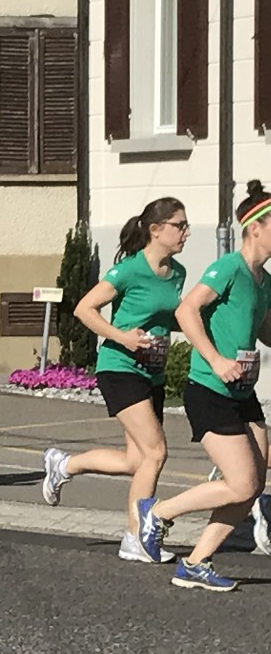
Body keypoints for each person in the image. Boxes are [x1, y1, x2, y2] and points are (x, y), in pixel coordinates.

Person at [136, 180, 271, 592]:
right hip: (209, 390)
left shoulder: (263, 280)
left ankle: (195, 563)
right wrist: (216, 359)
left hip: (242, 393)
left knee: (253, 484)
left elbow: (264, 331)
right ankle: (158, 512)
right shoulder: (229, 266)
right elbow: (186, 308)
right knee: (242, 482)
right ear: (255, 228)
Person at [40, 198, 188, 563]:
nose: (185, 232)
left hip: (150, 371)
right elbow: (84, 309)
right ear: (156, 231)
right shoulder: (129, 272)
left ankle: (64, 465)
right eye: (179, 225)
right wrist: (123, 338)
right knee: (157, 452)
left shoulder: (178, 272)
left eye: (186, 225)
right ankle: (136, 537)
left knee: (136, 461)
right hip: (119, 367)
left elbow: (166, 317)